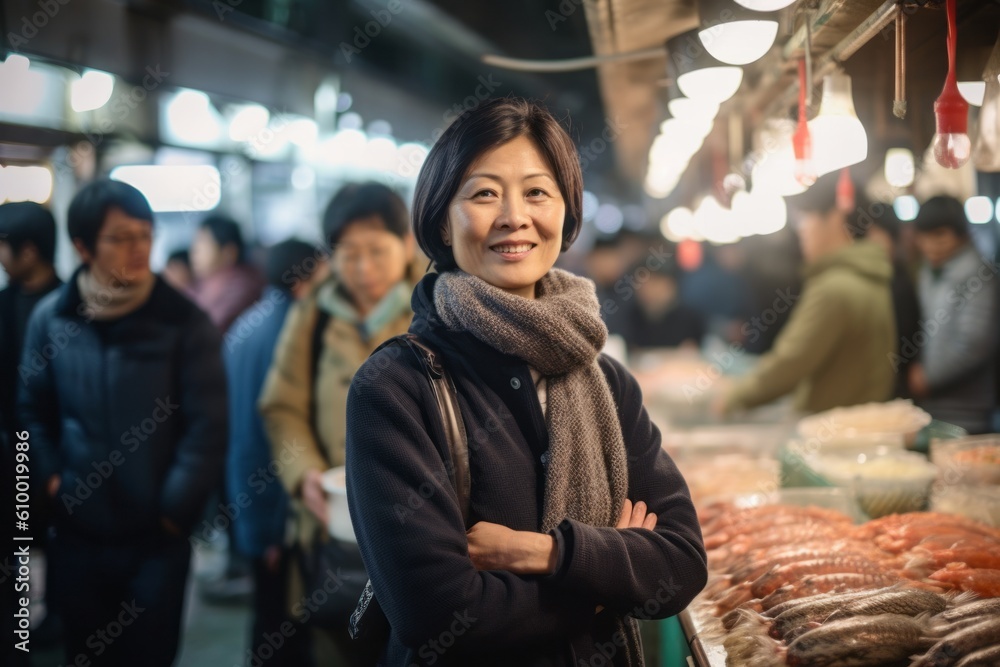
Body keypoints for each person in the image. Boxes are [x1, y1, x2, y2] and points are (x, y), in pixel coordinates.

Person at [344, 98, 706, 666]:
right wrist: (604, 585)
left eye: (537, 192)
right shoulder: (395, 388)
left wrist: (543, 554)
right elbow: (438, 614)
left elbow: (681, 563)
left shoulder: (607, 382)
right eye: (484, 193)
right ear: (442, 217)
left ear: (566, 212)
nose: (514, 216)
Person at [19, 179, 227, 667]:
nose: (139, 248)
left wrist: (174, 510)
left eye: (145, 234)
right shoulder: (52, 318)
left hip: (156, 538)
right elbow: (32, 411)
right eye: (121, 237)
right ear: (82, 245)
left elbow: (208, 428)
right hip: (76, 532)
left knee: (148, 656)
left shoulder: (184, 321)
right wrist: (50, 480)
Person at [258, 182, 417, 665]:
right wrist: (304, 473)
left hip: (418, 530)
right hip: (334, 531)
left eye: (376, 251)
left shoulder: (438, 305)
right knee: (338, 644)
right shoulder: (315, 313)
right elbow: (281, 405)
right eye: (348, 254)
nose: (363, 268)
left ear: (407, 244)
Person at [225, 238, 328, 666]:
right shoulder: (293, 333)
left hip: (249, 500)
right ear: (304, 282)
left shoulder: (245, 324)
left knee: (268, 621)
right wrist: (268, 530)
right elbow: (263, 437)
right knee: (287, 631)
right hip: (279, 511)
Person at [721, 171, 896, 415]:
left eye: (805, 220)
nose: (801, 231)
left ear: (835, 218)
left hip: (835, 438)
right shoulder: (867, 275)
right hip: (852, 431)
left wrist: (731, 399)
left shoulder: (835, 287)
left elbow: (790, 363)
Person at [0, 201, 63, 667]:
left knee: (60, 544)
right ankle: (17, 634)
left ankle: (57, 624)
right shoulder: (4, 304)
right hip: (12, 451)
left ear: (28, 251)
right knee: (17, 545)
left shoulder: (70, 306)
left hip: (61, 452)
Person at [909, 196, 998, 433]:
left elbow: (974, 342)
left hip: (968, 409)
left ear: (960, 234)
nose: (931, 245)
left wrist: (927, 378)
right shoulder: (930, 272)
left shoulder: (978, 276)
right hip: (935, 407)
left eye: (940, 235)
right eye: (925, 236)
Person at [854, 207, 921, 398]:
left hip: (894, 387)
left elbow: (904, 338)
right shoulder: (874, 280)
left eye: (876, 234)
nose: (870, 243)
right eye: (866, 236)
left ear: (892, 237)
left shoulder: (898, 281)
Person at [188, 214, 264, 332]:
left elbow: (210, 328)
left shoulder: (243, 285)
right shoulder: (204, 283)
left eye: (203, 243)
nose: (194, 252)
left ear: (229, 252)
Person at [621, 259, 705, 352]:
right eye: (642, 282)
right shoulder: (628, 317)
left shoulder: (691, 319)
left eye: (655, 282)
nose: (647, 288)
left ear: (672, 285)